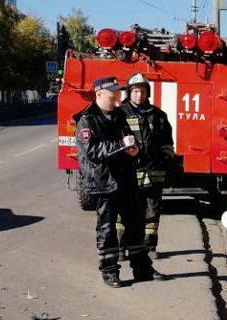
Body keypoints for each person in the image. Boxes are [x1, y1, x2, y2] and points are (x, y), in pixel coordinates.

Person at [75, 76, 161, 287]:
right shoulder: (87, 120)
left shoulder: (119, 116)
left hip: (126, 180)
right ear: (99, 94)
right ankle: (110, 272)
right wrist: (121, 145)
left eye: (117, 95)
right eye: (112, 95)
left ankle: (142, 269)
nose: (116, 100)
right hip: (104, 183)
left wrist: (134, 150)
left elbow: (129, 140)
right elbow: (92, 151)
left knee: (136, 225)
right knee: (107, 230)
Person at [122, 73, 175, 259]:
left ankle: (149, 248)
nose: (139, 95)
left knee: (153, 210)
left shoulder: (158, 115)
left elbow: (168, 143)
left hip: (153, 172)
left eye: (142, 91)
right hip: (128, 173)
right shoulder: (120, 114)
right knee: (125, 211)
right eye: (135, 91)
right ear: (129, 93)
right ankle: (122, 248)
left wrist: (164, 161)